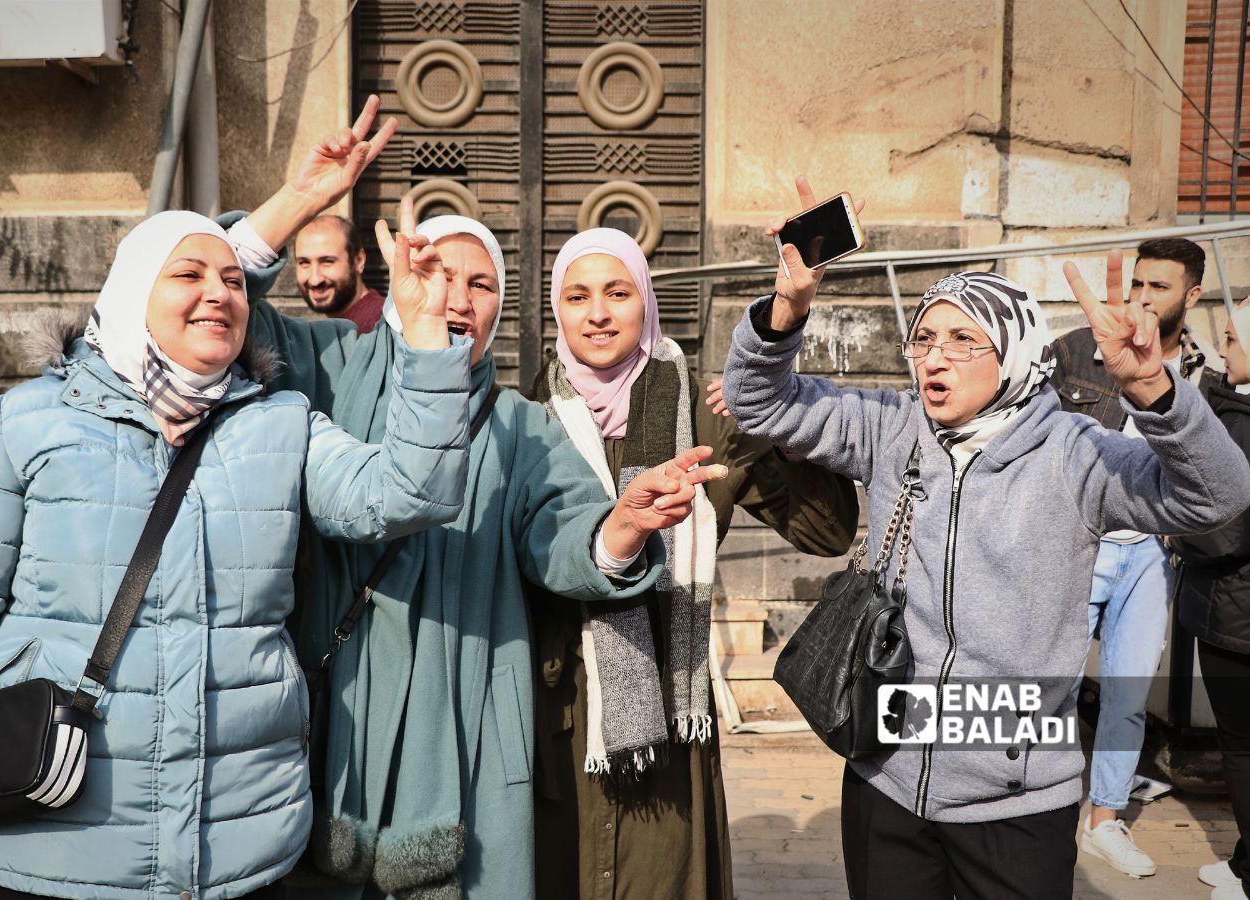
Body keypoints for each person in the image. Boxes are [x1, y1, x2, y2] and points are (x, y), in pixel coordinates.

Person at [0, 205, 479, 900]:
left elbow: (411, 496)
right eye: (189, 274)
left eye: (232, 279)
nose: (220, 293)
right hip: (46, 837)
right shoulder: (26, 424)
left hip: (238, 843)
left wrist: (427, 334)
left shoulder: (282, 423)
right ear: (133, 290)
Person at [215, 98, 724, 899]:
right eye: (437, 272)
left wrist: (620, 528)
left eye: (480, 282)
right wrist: (300, 203)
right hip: (336, 697)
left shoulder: (521, 426)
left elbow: (563, 536)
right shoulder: (327, 364)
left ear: (501, 307)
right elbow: (216, 308)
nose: (455, 295)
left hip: (468, 715)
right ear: (396, 280)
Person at [714, 177, 1250, 899]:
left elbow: (1220, 495)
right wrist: (789, 306)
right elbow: (756, 399)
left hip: (1018, 802)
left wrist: (1154, 392)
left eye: (964, 340)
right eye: (925, 339)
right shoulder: (890, 427)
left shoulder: (1075, 452)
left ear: (1014, 351)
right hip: (887, 778)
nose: (934, 358)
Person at [522, 227, 860, 900]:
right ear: (554, 311)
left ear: (646, 301)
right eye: (577, 296)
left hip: (670, 721)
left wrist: (782, 427)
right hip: (556, 716)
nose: (597, 313)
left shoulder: (705, 418)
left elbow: (828, 532)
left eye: (617, 292)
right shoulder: (525, 422)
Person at [1050, 237, 1219, 877]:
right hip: (1080, 540)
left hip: (1151, 552)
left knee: (1126, 694)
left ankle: (1105, 819)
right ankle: (1035, 806)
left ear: (1191, 296)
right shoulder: (1074, 350)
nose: (1143, 298)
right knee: (1053, 684)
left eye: (1159, 288)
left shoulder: (1204, 371)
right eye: (1138, 284)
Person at [1174, 299, 1250, 900]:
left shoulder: (1241, 417)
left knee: (1242, 745)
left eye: (1234, 337)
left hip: (1236, 610)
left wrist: (1175, 527)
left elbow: (1222, 528)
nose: (1226, 348)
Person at [294, 215, 385, 333]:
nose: (314, 280)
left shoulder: (377, 330)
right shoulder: (341, 330)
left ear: (359, 261)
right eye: (304, 263)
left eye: (327, 262)